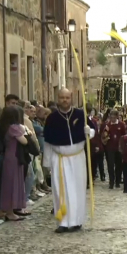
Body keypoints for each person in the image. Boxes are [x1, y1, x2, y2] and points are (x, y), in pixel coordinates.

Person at [43, 88, 95, 233]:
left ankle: (77, 220)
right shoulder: (52, 118)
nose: (64, 100)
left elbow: (93, 131)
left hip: (77, 157)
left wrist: (88, 132)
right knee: (61, 190)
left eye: (67, 97)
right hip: (59, 159)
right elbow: (47, 142)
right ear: (58, 99)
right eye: (62, 98)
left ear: (71, 98)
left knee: (77, 189)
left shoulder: (80, 114)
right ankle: (63, 222)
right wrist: (46, 163)